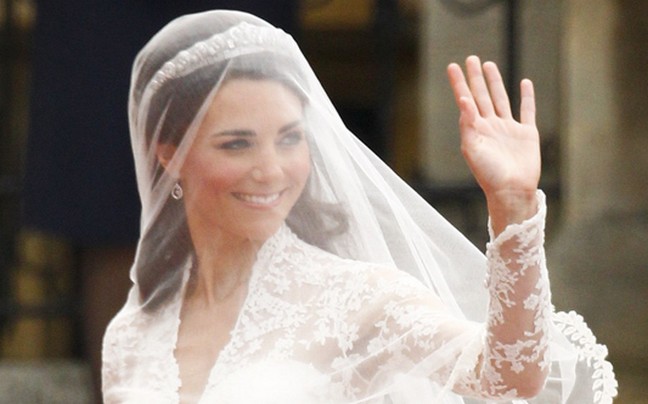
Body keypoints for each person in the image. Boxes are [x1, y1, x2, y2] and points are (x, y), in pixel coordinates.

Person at [102, 10, 617, 403]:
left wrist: (513, 206)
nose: (272, 170)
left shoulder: (357, 299)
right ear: (169, 154)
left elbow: (510, 379)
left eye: (290, 138)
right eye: (237, 144)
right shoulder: (131, 336)